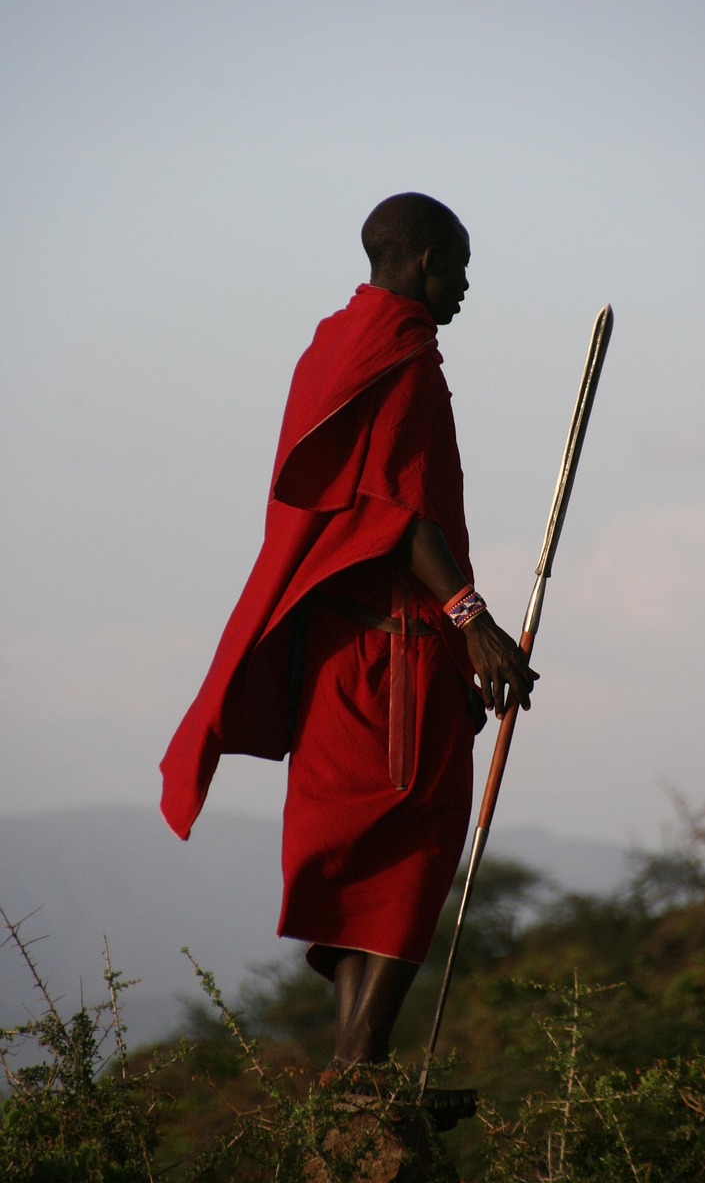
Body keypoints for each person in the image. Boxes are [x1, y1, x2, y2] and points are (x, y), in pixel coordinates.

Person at [160, 192, 536, 1082]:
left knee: (361, 855)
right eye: (460, 266)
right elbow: (398, 514)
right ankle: (360, 1069)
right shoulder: (398, 358)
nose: (468, 286)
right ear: (422, 263)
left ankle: (353, 1075)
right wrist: (472, 623)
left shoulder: (333, 346)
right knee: (415, 845)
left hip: (329, 653)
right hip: (392, 652)